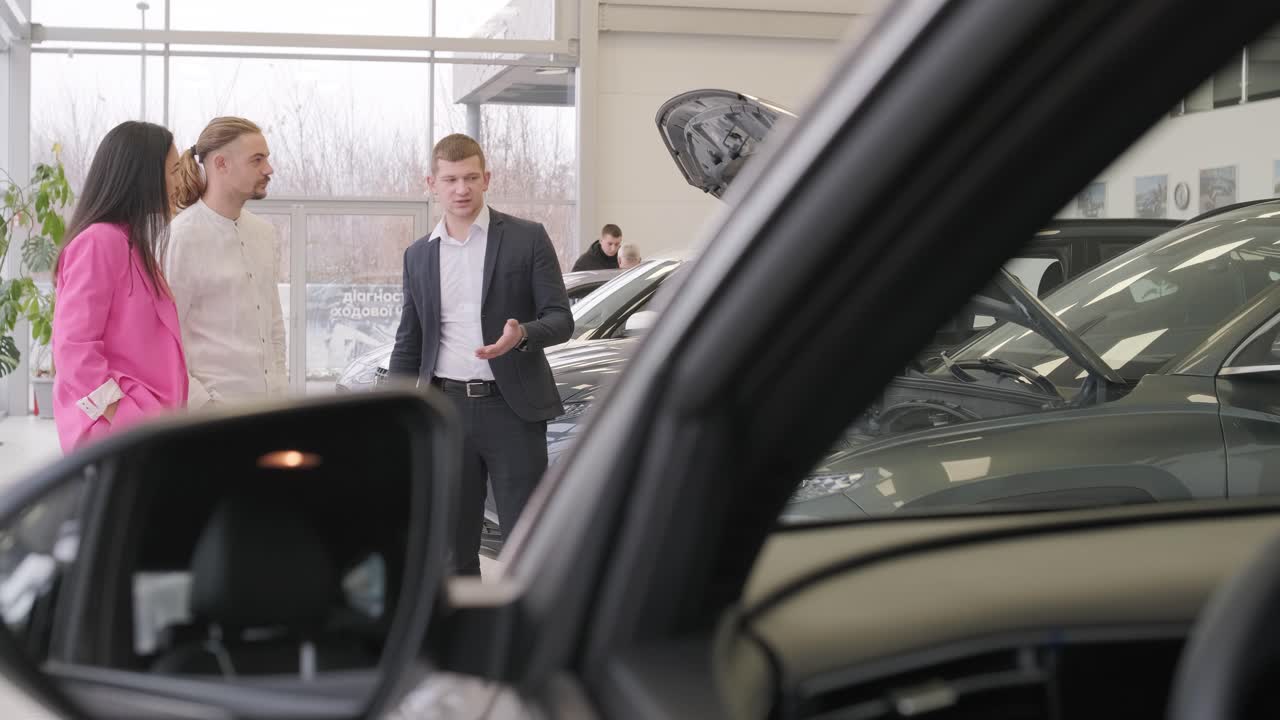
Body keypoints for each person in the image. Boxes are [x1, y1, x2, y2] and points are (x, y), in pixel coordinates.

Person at [389, 134, 573, 575]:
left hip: (512, 410)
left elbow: (560, 319)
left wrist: (523, 335)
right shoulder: (418, 256)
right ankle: (465, 640)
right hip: (446, 411)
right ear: (431, 183)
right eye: (450, 179)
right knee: (452, 548)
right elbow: (409, 342)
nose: (461, 188)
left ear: (486, 178)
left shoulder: (527, 239)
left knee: (526, 543)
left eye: (471, 177)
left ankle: (527, 639)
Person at [52, 121, 188, 452]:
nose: (178, 182)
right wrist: (126, 413)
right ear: (142, 176)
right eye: (172, 171)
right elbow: (74, 348)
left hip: (144, 430)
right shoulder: (100, 242)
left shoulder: (130, 244)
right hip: (117, 436)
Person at [165, 117, 287, 408]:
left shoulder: (264, 234)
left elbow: (273, 326)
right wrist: (204, 405)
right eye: (257, 160)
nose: (268, 169)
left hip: (267, 411)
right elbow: (166, 339)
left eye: (267, 159)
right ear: (221, 164)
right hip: (211, 418)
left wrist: (280, 391)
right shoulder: (180, 237)